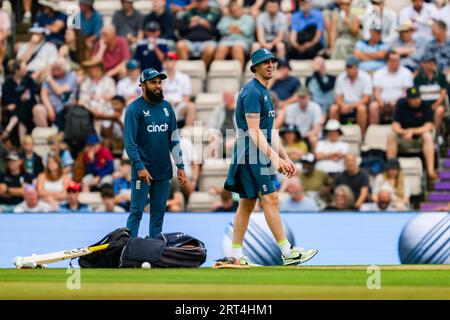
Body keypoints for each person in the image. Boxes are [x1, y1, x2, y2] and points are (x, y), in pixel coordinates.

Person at [223, 48, 318, 267]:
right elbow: (255, 131)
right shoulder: (252, 92)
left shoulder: (264, 92)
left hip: (254, 152)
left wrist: (285, 156)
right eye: (265, 62)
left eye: (273, 61)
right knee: (271, 199)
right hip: (251, 153)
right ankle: (287, 252)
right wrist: (276, 159)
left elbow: (271, 131)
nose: (270, 65)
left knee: (247, 204)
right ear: (254, 66)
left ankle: (236, 256)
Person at [124, 67, 187, 238]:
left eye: (159, 82)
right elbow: (129, 143)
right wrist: (139, 167)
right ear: (142, 85)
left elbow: (173, 140)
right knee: (136, 212)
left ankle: (154, 253)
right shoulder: (134, 109)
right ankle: (127, 250)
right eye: (153, 82)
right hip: (142, 171)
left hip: (163, 171)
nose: (158, 86)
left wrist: (180, 166)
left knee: (158, 216)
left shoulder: (167, 108)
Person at [386, 87, 438, 180]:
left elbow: (429, 126)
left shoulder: (425, 106)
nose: (416, 100)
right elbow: (395, 125)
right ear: (408, 99)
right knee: (391, 135)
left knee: (428, 136)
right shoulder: (401, 105)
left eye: (417, 97)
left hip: (419, 138)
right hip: (404, 137)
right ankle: (391, 169)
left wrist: (412, 131)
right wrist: (404, 132)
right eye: (413, 98)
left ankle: (431, 171)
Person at [329, 56, 372, 135]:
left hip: (357, 104)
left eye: (350, 67)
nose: (347, 69)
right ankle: (334, 134)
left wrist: (351, 106)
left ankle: (362, 136)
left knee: (361, 109)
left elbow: (365, 99)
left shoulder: (366, 77)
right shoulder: (341, 77)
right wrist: (342, 105)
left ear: (357, 67)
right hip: (344, 104)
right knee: (333, 108)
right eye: (346, 66)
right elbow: (338, 97)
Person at [1, 59, 38, 147]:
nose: (26, 71)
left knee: (22, 106)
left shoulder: (28, 80)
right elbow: (6, 99)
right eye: (23, 69)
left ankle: (7, 131)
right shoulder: (8, 83)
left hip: (29, 107)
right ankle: (22, 143)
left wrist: (18, 100)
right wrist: (19, 99)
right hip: (16, 110)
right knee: (20, 109)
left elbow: (31, 96)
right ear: (17, 71)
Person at [370, 51, 414, 124]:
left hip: (399, 101)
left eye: (398, 60)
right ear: (388, 61)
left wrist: (396, 101)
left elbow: (406, 92)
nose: (396, 62)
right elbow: (377, 91)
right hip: (383, 102)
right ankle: (374, 130)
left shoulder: (406, 73)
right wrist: (380, 101)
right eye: (394, 60)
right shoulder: (379, 73)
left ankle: (398, 128)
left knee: (401, 104)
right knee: (373, 106)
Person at [34, 59, 78, 129]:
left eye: (57, 68)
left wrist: (50, 80)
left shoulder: (71, 76)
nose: (54, 70)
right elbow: (43, 94)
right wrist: (49, 108)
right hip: (51, 105)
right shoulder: (49, 76)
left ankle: (66, 132)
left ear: (64, 69)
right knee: (38, 109)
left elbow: (61, 92)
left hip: (66, 105)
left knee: (68, 98)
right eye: (53, 68)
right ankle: (45, 135)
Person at [176, 0, 222, 68]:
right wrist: (190, 25)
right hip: (190, 41)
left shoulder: (215, 13)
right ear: (195, 2)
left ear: (206, 1)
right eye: (198, 1)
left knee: (210, 49)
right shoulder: (189, 13)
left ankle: (202, 71)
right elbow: (180, 32)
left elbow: (218, 32)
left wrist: (208, 25)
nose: (201, 3)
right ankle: (187, 70)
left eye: (202, 1)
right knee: (180, 45)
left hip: (207, 41)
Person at [79, 59, 116, 136]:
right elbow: (82, 100)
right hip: (91, 111)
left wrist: (104, 99)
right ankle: (95, 140)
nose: (93, 71)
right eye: (91, 69)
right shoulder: (86, 82)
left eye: (96, 68)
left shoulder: (109, 80)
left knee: (108, 122)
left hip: (107, 109)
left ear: (100, 68)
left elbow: (113, 97)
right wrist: (93, 110)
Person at [215, 1, 255, 69]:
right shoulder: (226, 18)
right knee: (221, 48)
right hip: (226, 40)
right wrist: (237, 29)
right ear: (230, 12)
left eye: (237, 10)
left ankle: (239, 73)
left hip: (242, 41)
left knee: (237, 47)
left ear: (241, 9)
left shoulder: (248, 18)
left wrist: (231, 28)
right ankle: (217, 72)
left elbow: (247, 31)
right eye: (233, 11)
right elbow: (220, 29)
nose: (235, 13)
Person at [414, 54, 447, 131]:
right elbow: (416, 93)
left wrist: (435, 104)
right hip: (422, 104)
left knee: (440, 110)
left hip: (437, 103)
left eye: (433, 62)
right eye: (428, 62)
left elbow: (443, 94)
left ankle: (435, 131)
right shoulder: (418, 78)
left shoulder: (441, 76)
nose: (431, 64)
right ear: (423, 64)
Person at [162, 52, 195, 128]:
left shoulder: (184, 77)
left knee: (191, 107)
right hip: (163, 106)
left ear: (175, 62)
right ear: (164, 62)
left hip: (179, 105)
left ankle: (187, 134)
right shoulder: (158, 78)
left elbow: (186, 98)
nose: (168, 62)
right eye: (166, 60)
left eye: (171, 59)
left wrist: (178, 102)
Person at [207, 90, 237, 158]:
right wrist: (213, 133)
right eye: (224, 97)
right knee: (213, 138)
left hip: (234, 136)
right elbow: (211, 125)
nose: (224, 98)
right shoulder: (218, 109)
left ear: (233, 97)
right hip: (220, 135)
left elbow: (243, 129)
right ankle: (214, 164)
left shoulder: (240, 110)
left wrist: (236, 138)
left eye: (227, 96)